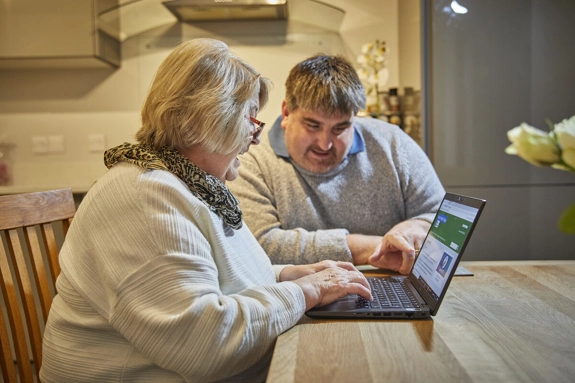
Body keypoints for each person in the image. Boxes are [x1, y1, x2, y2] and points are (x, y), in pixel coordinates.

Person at [40, 39, 372, 383]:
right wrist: (308, 291)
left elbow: (218, 283)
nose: (255, 138)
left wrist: (287, 275)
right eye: (250, 120)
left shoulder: (192, 184)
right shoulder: (144, 196)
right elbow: (205, 343)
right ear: (208, 122)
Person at [228, 54, 445, 275]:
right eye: (312, 125)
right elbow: (258, 244)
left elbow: (444, 220)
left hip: (395, 290)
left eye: (340, 128)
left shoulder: (393, 144)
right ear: (286, 113)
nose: (325, 143)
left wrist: (417, 228)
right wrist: (374, 248)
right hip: (297, 298)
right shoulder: (250, 158)